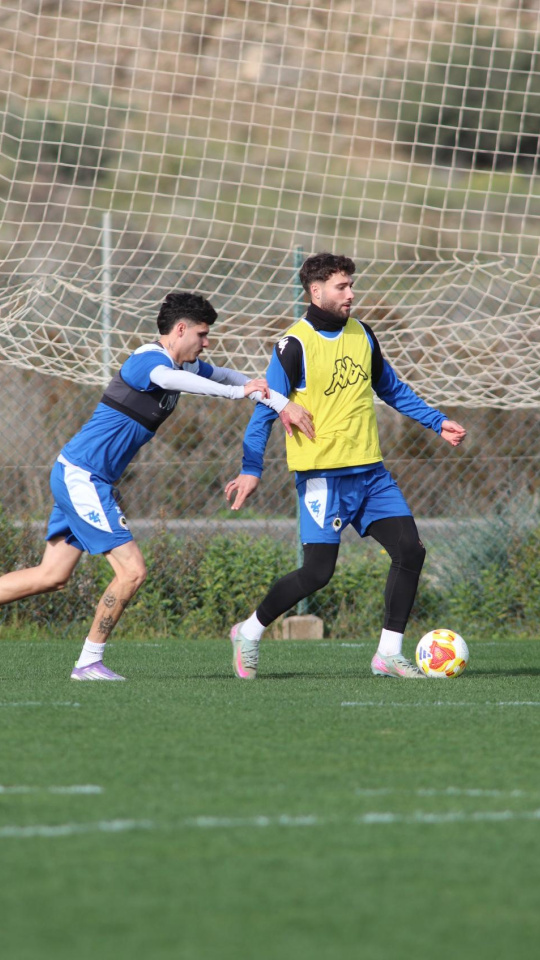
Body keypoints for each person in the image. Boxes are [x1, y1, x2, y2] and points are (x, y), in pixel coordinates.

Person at [0, 291, 313, 681]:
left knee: (51, 576)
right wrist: (239, 392)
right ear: (179, 330)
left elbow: (228, 376)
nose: (206, 342)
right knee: (132, 572)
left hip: (82, 475)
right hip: (83, 478)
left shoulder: (187, 364)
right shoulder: (148, 360)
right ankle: (88, 663)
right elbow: (170, 379)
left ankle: (88, 662)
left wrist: (270, 396)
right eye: (201, 334)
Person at [225, 252, 467, 680]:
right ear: (315, 291)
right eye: (342, 287)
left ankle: (387, 654)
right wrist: (251, 468)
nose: (351, 294)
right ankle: (249, 631)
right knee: (317, 573)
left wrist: (436, 421)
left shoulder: (363, 334)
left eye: (351, 285)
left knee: (410, 550)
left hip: (371, 475)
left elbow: (390, 388)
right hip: (322, 478)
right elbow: (264, 411)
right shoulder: (293, 345)